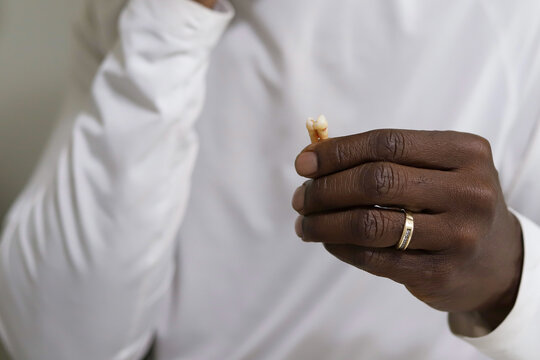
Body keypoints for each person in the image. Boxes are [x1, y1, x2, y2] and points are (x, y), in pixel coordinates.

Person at [1, 0, 539, 358]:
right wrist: (175, 18)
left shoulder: (516, 29)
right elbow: (56, 344)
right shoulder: (142, 12)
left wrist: (507, 278)